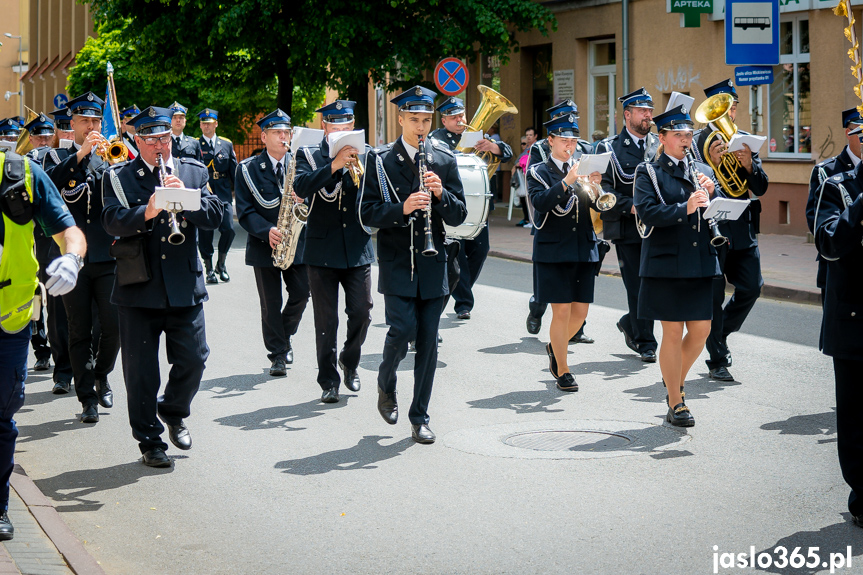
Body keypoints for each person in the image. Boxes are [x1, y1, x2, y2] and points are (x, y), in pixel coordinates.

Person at [101, 106, 224, 467]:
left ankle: (173, 410)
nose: (160, 146)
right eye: (152, 139)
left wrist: (186, 196)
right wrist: (149, 211)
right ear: (137, 140)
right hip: (139, 288)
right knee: (140, 372)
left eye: (165, 138)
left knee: (195, 358)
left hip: (185, 284)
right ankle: (150, 442)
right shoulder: (119, 177)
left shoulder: (193, 170)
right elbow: (110, 220)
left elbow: (216, 215)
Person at [359, 86, 466, 444]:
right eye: (414, 119)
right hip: (398, 262)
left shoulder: (444, 159)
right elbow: (368, 212)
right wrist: (401, 208)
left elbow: (460, 213)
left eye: (426, 120)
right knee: (401, 331)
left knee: (428, 342)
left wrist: (441, 194)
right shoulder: (380, 159)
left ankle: (419, 416)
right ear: (401, 119)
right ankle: (385, 383)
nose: (421, 127)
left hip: (434, 265)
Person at [0, 144, 86, 539]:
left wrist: (72, 258)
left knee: (1, 418)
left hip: (9, 320)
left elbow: (70, 231)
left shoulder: (23, 172)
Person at [633, 105, 720, 427]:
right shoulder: (649, 172)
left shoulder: (700, 169)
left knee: (701, 330)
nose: (686, 141)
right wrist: (684, 207)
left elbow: (715, 210)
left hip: (698, 259)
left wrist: (714, 193)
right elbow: (647, 212)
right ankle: (675, 401)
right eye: (679, 135)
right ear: (663, 137)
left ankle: (674, 383)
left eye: (689, 135)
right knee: (672, 330)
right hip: (666, 261)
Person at [43, 92, 121, 422]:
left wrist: (109, 157)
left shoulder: (113, 157)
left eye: (95, 121)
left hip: (106, 255)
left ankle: (102, 375)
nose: (91, 127)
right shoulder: (55, 157)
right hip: (72, 258)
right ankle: (87, 397)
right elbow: (49, 185)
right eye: (84, 121)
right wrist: (81, 155)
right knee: (79, 330)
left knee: (113, 326)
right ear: (71, 124)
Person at [294, 100, 374, 403]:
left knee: (362, 311)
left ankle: (350, 361)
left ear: (352, 126)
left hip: (357, 248)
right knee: (326, 321)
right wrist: (334, 165)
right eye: (334, 124)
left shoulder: (368, 156)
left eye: (346, 124)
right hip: (321, 251)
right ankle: (328, 380)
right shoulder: (308, 155)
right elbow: (301, 186)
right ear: (324, 127)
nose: (341, 130)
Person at [690, 80, 769, 383]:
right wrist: (715, 165)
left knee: (752, 287)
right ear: (710, 108)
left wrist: (749, 165)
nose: (732, 112)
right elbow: (697, 184)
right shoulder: (696, 143)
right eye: (726, 106)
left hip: (743, 228)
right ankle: (717, 357)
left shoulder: (744, 141)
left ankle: (719, 333)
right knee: (713, 294)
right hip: (713, 228)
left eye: (734, 106)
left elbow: (759, 187)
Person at [808, 123, 863, 530]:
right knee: (857, 415)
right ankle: (862, 493)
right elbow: (828, 242)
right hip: (855, 318)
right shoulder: (838, 184)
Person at [526, 113, 603, 392]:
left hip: (584, 247)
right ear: (551, 141)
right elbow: (540, 204)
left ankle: (554, 347)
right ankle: (563, 368)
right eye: (564, 140)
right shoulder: (538, 172)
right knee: (561, 312)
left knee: (580, 313)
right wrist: (567, 182)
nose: (570, 145)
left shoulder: (581, 169)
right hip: (554, 250)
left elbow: (598, 208)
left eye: (573, 140)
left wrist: (595, 186)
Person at [234, 109, 310, 377]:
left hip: (296, 243)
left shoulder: (302, 165)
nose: (284, 137)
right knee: (270, 302)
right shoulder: (247, 169)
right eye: (277, 132)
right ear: (264, 137)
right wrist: (266, 230)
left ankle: (284, 336)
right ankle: (277, 354)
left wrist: (305, 202)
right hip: (263, 244)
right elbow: (244, 211)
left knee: (302, 293)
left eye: (287, 132)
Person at [429, 96, 511, 320]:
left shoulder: (476, 135)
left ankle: (458, 288)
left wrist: (492, 146)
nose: (460, 120)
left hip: (477, 204)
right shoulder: (435, 139)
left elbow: (508, 153)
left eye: (462, 115)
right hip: (452, 203)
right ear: (444, 120)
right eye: (454, 117)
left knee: (481, 250)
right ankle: (464, 302)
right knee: (459, 254)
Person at [594, 88, 659, 363]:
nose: (648, 115)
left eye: (650, 111)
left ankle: (630, 322)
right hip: (628, 227)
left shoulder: (659, 144)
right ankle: (646, 341)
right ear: (627, 114)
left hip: (659, 224)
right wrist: (629, 205)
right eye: (643, 111)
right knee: (637, 285)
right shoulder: (608, 147)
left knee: (655, 283)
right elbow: (602, 188)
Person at [807, 107, 862, 303]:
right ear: (849, 133)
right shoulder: (827, 171)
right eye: (860, 134)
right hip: (837, 264)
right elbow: (816, 221)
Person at [23, 115, 58, 374]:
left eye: (48, 136)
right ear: (31, 139)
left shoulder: (62, 160)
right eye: (40, 137)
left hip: (57, 236)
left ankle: (62, 350)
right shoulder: (27, 163)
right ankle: (41, 349)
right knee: (39, 296)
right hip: (34, 237)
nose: (44, 141)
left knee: (59, 298)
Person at [197, 108, 237, 284]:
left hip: (223, 191)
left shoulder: (226, 144)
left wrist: (241, 194)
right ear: (200, 125)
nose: (207, 126)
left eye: (210, 122)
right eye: (204, 123)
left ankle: (221, 264)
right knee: (205, 231)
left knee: (228, 228)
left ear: (216, 124)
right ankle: (209, 269)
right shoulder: (195, 145)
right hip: (204, 192)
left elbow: (234, 170)